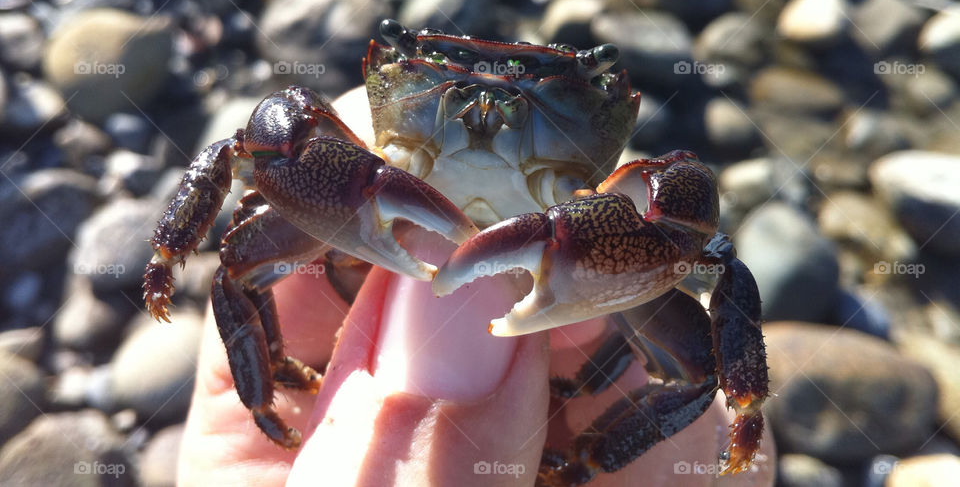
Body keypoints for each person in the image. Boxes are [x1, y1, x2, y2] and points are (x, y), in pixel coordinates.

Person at [177, 88, 776, 486]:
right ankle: (267, 383)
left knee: (699, 367)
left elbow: (699, 237)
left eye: (545, 99)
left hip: (580, 233)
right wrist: (171, 245)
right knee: (243, 250)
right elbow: (257, 146)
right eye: (435, 77)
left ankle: (583, 461)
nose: (485, 117)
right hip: (374, 200)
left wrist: (744, 402)